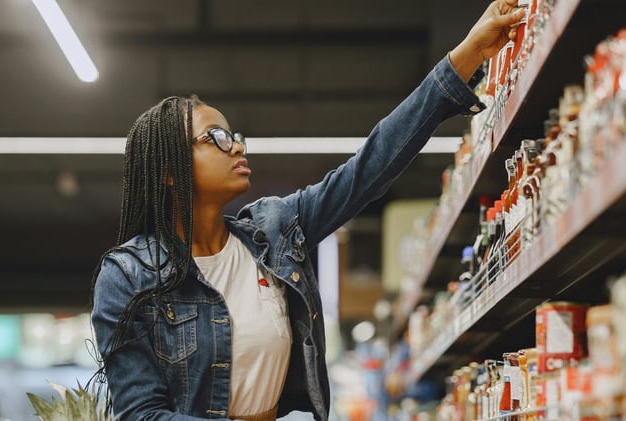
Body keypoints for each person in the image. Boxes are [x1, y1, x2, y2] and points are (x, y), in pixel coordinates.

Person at [90, 1, 525, 419]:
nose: (238, 145)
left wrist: (467, 55)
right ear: (169, 170)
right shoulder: (128, 277)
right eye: (217, 138)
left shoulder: (272, 231)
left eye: (235, 135)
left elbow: (369, 167)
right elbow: (142, 414)